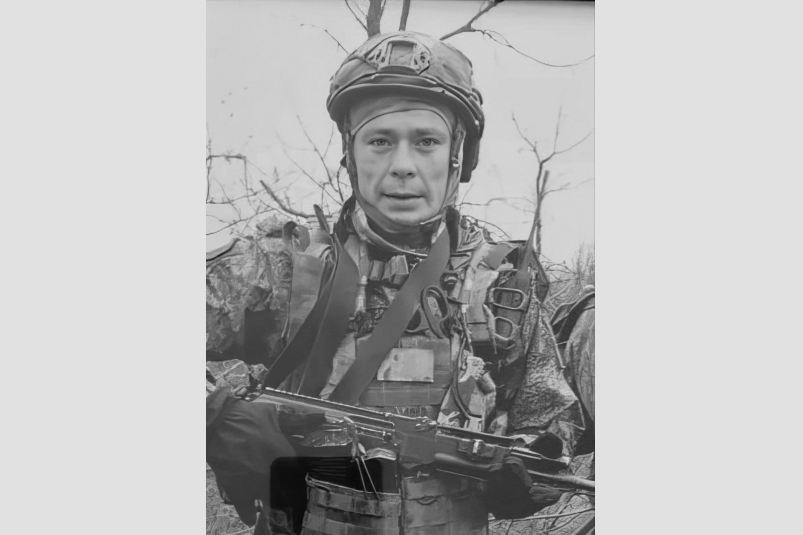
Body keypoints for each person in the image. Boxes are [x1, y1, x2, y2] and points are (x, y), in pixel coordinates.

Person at [206, 31, 584, 535]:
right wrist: (220, 417)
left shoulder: (500, 290)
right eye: (380, 140)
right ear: (350, 153)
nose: (403, 166)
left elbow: (550, 422)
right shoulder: (282, 268)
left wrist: (526, 473)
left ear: (458, 156)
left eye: (427, 141)